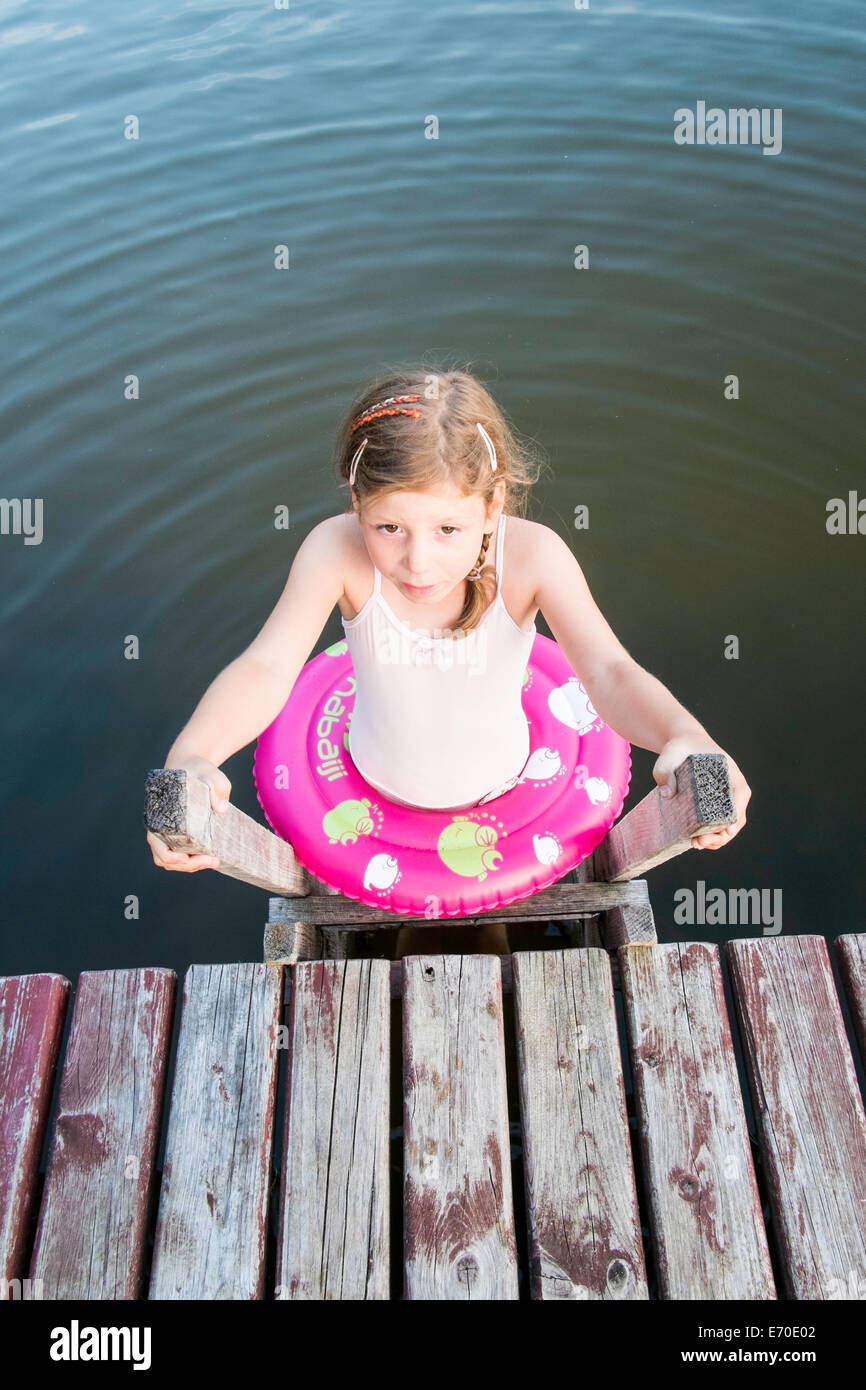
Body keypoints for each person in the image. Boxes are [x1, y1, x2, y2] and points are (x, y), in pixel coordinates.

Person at [146, 366, 751, 957]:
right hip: (377, 785)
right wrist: (193, 754)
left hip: (503, 789)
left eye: (447, 529)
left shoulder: (534, 557)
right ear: (356, 502)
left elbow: (609, 673)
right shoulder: (335, 550)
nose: (417, 562)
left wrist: (687, 736)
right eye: (389, 527)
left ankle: (485, 938)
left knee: (487, 931)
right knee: (414, 938)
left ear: (493, 505)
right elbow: (267, 667)